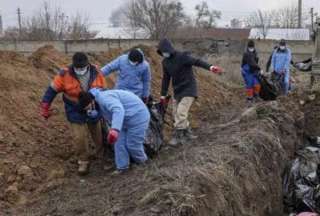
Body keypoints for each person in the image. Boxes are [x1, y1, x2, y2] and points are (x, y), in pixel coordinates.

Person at [40, 52, 106, 175]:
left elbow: (103, 88)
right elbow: (52, 90)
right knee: (79, 137)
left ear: (87, 64)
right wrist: (45, 105)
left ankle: (102, 156)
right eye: (78, 68)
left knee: (98, 133)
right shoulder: (64, 73)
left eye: (82, 67)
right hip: (74, 107)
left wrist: (96, 101)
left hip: (93, 105)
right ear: (73, 65)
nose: (80, 70)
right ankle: (83, 161)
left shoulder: (96, 71)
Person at [157, 38, 223, 146]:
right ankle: (187, 133)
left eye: (165, 51)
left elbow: (197, 61)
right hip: (177, 90)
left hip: (189, 88)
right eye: (162, 51)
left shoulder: (182, 57)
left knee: (181, 112)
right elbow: (166, 79)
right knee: (175, 114)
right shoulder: (165, 62)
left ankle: (177, 136)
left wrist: (211, 67)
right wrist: (163, 96)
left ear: (169, 49)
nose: (164, 53)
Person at [78, 88, 150, 174]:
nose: (89, 110)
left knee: (132, 144)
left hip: (138, 116)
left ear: (92, 101)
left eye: (89, 108)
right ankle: (122, 168)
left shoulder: (104, 98)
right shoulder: (97, 103)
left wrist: (115, 129)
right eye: (87, 110)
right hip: (124, 120)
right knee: (119, 143)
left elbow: (118, 109)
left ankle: (144, 164)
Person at [241, 40, 261, 104]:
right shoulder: (246, 53)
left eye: (252, 47)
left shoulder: (255, 52)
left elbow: (255, 61)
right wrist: (259, 68)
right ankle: (250, 99)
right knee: (249, 84)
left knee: (257, 84)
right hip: (247, 70)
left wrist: (257, 69)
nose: (251, 48)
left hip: (253, 70)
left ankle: (256, 96)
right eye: (250, 47)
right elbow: (252, 63)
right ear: (248, 47)